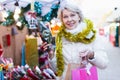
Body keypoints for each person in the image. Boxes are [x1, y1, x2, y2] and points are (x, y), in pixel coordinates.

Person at [40, 0, 109, 80]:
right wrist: (51, 54)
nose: (69, 19)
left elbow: (104, 64)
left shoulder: (91, 36)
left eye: (72, 15)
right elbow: (57, 69)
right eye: (65, 16)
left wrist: (92, 55)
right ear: (62, 19)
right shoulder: (60, 38)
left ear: (79, 16)